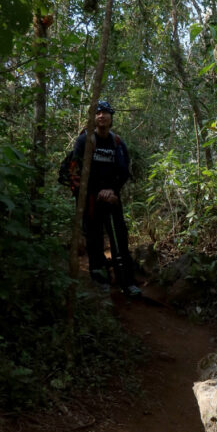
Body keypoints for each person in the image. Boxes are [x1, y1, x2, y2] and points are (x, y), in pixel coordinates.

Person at [70, 99, 141, 297]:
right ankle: (99, 279)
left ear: (111, 118)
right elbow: (75, 170)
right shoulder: (84, 141)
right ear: (93, 118)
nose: (101, 116)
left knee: (119, 238)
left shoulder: (117, 142)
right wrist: (95, 191)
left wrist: (112, 190)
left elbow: (124, 171)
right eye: (98, 113)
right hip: (91, 199)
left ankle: (127, 282)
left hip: (112, 198)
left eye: (105, 113)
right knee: (94, 240)